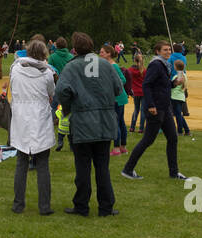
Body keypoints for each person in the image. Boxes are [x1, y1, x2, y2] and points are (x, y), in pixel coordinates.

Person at [55, 32, 122, 215]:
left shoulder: (72, 67)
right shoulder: (105, 65)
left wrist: (67, 108)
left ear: (75, 49)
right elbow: (118, 88)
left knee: (83, 167)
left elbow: (61, 91)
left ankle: (82, 205)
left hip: (82, 123)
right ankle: (106, 207)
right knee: (102, 167)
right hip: (104, 122)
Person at [121, 41, 186, 183]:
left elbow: (162, 85)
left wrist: (174, 83)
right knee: (148, 140)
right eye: (165, 50)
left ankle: (174, 172)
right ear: (157, 51)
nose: (168, 52)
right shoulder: (156, 65)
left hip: (165, 107)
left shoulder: (164, 65)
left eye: (169, 49)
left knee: (173, 138)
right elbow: (147, 85)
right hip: (155, 108)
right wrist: (150, 105)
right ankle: (128, 169)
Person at [9, 38, 56, 215]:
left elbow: (13, 88)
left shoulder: (15, 69)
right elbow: (52, 92)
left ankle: (18, 204)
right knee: (42, 163)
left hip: (22, 117)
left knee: (21, 162)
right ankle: (44, 206)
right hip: (39, 117)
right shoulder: (47, 73)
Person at [100, 44, 129, 154]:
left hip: (117, 98)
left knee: (115, 123)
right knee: (120, 122)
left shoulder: (113, 66)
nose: (100, 54)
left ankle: (117, 148)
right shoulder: (108, 65)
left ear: (109, 54)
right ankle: (123, 147)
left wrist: (111, 87)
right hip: (118, 98)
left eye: (102, 52)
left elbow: (122, 79)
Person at [169, 59, 191, 137]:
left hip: (175, 97)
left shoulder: (177, 76)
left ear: (175, 67)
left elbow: (173, 86)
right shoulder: (184, 75)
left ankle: (179, 131)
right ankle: (187, 130)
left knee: (178, 115)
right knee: (179, 114)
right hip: (181, 97)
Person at [127, 56, 145, 134]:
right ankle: (141, 128)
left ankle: (132, 127)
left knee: (136, 109)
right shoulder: (144, 70)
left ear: (134, 60)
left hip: (135, 92)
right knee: (143, 110)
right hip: (143, 92)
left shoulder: (130, 70)